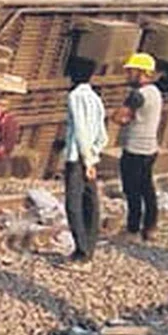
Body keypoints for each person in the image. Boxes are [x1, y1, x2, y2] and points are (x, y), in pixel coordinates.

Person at [64, 58, 108, 263]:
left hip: (77, 158)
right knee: (91, 203)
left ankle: (81, 252)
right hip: (91, 157)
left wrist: (87, 161)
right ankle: (89, 247)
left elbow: (80, 130)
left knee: (73, 205)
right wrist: (94, 154)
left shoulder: (75, 96)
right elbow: (103, 135)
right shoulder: (96, 98)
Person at [115, 52, 162, 242]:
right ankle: (151, 227)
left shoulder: (137, 95)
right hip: (151, 148)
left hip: (135, 148)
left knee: (132, 190)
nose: (128, 75)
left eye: (131, 71)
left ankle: (132, 229)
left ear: (141, 72)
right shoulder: (155, 92)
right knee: (147, 189)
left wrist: (124, 117)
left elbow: (119, 117)